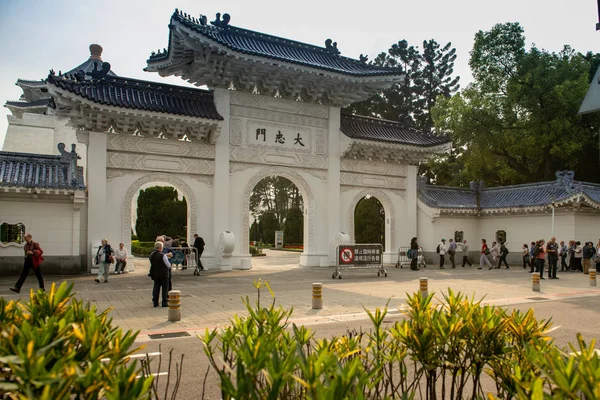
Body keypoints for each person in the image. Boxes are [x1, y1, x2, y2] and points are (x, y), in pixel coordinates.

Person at [148, 241, 172, 307]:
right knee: (165, 288)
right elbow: (168, 265)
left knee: (156, 287)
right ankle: (164, 302)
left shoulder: (151, 254)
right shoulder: (162, 255)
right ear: (161, 247)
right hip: (163, 274)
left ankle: (155, 302)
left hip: (155, 273)